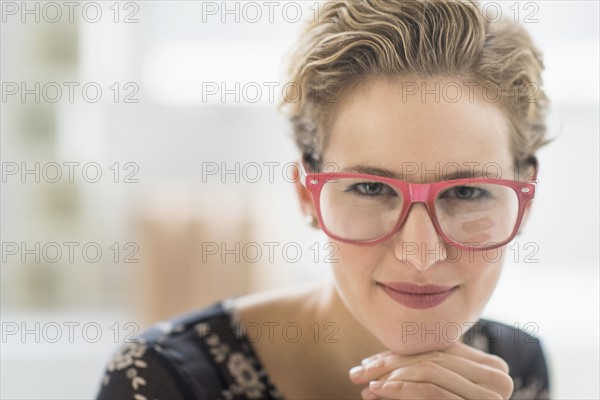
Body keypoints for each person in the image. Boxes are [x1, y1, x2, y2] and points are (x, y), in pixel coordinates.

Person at [96, 0, 551, 398]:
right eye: (371, 188)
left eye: (466, 192)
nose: (420, 253)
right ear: (307, 196)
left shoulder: (515, 368)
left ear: (524, 202)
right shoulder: (159, 381)